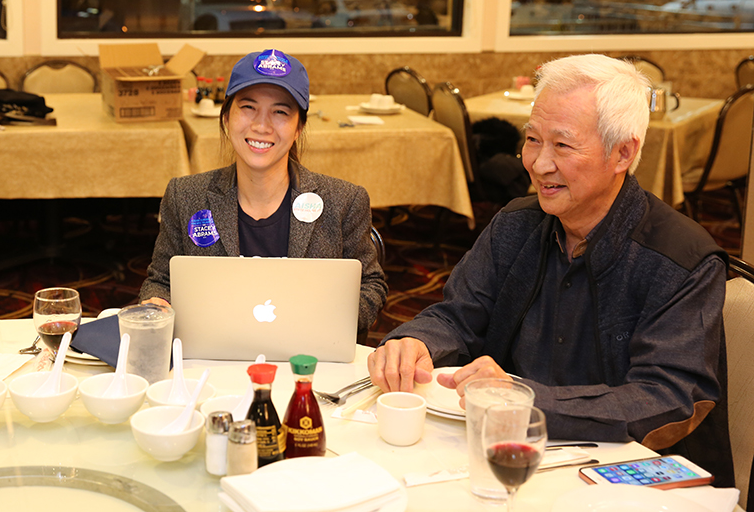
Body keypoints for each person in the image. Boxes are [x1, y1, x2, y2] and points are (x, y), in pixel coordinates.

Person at [368, 54, 732, 484]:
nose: (539, 164)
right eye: (532, 139)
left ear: (623, 152)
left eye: (562, 145)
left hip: (629, 477)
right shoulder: (516, 224)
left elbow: (669, 398)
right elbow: (457, 316)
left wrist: (526, 401)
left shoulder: (680, 260)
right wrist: (415, 340)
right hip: (507, 452)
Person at [139, 49, 387, 331]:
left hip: (307, 351)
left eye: (280, 112)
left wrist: (324, 323)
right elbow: (161, 281)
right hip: (215, 349)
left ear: (298, 127)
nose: (261, 125)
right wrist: (157, 303)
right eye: (248, 107)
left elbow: (370, 285)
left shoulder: (343, 202)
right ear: (226, 118)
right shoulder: (184, 196)